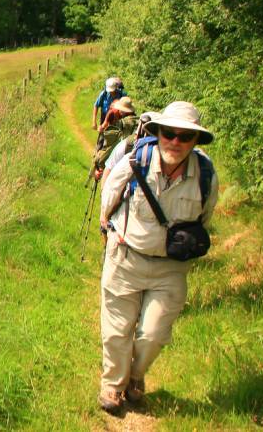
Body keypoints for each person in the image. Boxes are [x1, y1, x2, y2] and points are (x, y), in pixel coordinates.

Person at [95, 101, 218, 414]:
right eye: (169, 133)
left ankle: (136, 375)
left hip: (170, 269)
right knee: (117, 329)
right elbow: (108, 197)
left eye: (184, 136)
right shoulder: (136, 161)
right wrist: (108, 231)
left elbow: (204, 217)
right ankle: (113, 384)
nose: (175, 141)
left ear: (195, 141)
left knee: (153, 334)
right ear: (158, 132)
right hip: (125, 256)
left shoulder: (204, 174)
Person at [92, 96, 138, 180]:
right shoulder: (138, 121)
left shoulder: (122, 123)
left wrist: (99, 164)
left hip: (119, 161)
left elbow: (111, 146)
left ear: (123, 111)